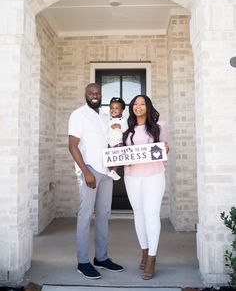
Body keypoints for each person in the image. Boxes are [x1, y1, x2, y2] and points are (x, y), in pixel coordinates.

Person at [68, 83, 124, 279]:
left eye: (98, 93)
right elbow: (72, 145)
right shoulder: (78, 115)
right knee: (85, 215)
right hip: (89, 171)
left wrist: (115, 163)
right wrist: (86, 172)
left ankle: (101, 258)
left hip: (106, 171)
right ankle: (83, 262)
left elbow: (111, 142)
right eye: (91, 93)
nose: (94, 95)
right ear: (85, 94)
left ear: (101, 95)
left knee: (103, 215)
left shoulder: (103, 117)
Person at [122, 94, 169, 280]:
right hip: (132, 177)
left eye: (142, 104)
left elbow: (166, 149)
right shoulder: (127, 129)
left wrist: (165, 148)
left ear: (148, 107)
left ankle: (152, 258)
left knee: (151, 214)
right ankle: (144, 251)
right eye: (135, 104)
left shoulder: (159, 127)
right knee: (139, 214)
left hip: (154, 176)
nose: (138, 106)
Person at [107, 97, 128, 181]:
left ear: (122, 110)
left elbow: (126, 128)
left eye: (116, 108)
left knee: (117, 157)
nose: (113, 110)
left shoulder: (123, 120)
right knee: (108, 159)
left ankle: (114, 171)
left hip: (118, 143)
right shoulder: (107, 119)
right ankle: (109, 170)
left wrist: (119, 126)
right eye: (111, 108)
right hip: (109, 143)